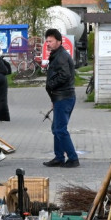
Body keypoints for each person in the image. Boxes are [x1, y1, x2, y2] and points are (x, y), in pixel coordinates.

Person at [43, 28, 79, 167]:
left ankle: (73, 158)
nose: (48, 44)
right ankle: (59, 157)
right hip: (60, 97)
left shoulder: (62, 56)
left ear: (59, 41)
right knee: (56, 128)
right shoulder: (57, 54)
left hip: (64, 97)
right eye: (47, 41)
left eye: (51, 41)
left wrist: (51, 85)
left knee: (60, 129)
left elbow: (65, 75)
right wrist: (53, 99)